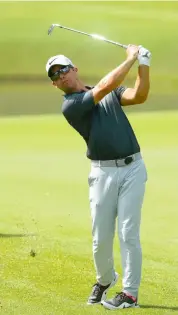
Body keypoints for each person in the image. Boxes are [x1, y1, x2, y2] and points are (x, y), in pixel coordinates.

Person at [45, 44, 151, 310]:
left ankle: (130, 293)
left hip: (133, 169)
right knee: (100, 238)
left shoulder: (109, 93)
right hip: (102, 172)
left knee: (128, 233)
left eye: (63, 70)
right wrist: (130, 59)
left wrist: (144, 65)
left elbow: (139, 96)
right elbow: (103, 86)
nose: (60, 77)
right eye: (55, 76)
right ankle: (105, 279)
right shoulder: (71, 105)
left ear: (74, 69)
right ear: (55, 85)